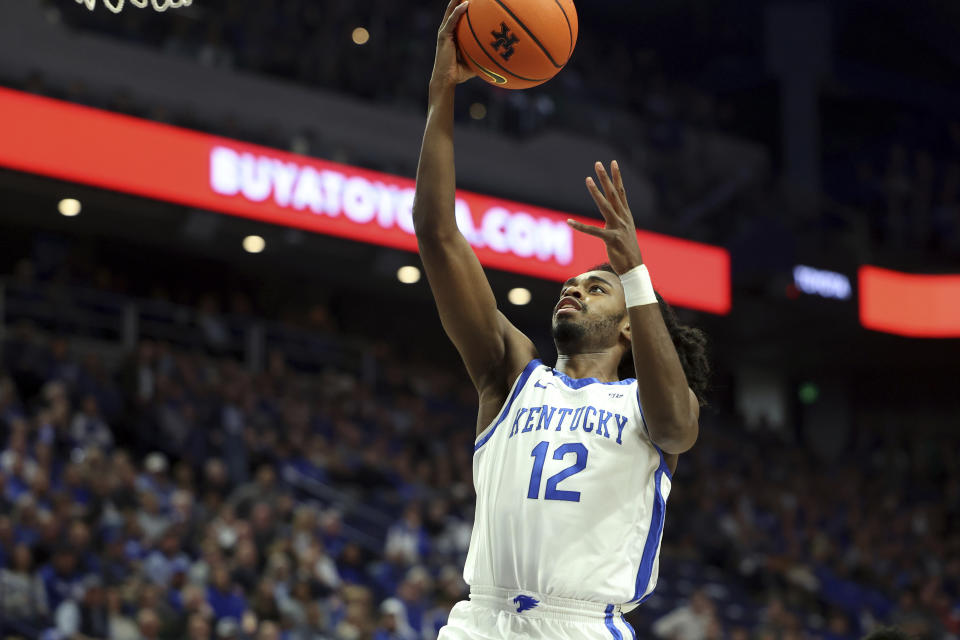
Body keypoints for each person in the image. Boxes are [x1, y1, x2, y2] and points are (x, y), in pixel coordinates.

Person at [412, 2, 709, 638]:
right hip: (480, 621)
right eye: (572, 283)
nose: (572, 288)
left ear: (631, 322)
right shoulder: (511, 375)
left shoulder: (648, 404)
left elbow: (679, 430)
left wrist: (634, 273)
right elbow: (438, 237)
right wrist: (441, 96)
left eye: (596, 287)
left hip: (582, 626)